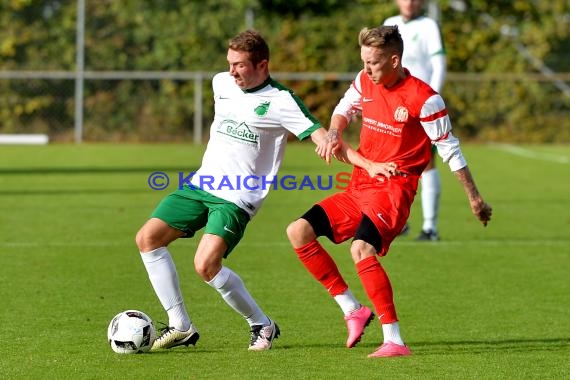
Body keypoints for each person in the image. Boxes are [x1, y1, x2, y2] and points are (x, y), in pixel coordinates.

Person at [286, 26, 492, 358]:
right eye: (364, 61)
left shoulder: (424, 99)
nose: (367, 69)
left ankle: (394, 339)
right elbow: (344, 108)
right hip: (360, 184)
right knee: (298, 231)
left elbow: (450, 150)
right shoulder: (366, 79)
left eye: (374, 62)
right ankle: (352, 309)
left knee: (361, 249)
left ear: (394, 60)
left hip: (394, 189)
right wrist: (336, 132)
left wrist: (474, 197)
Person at [136, 29, 328, 351]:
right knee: (147, 239)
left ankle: (261, 324)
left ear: (262, 65)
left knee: (205, 266)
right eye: (230, 62)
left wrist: (338, 146)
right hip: (203, 183)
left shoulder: (281, 100)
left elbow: (317, 132)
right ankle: (180, 325)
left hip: (238, 196)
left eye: (239, 65)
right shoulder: (220, 83)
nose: (232, 71)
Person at [384, 0, 447, 241]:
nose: (409, 2)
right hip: (392, 105)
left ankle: (430, 227)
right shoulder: (390, 24)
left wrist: (433, 100)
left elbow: (438, 65)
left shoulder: (429, 25)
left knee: (427, 162)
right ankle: (400, 221)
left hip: (420, 104)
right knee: (391, 161)